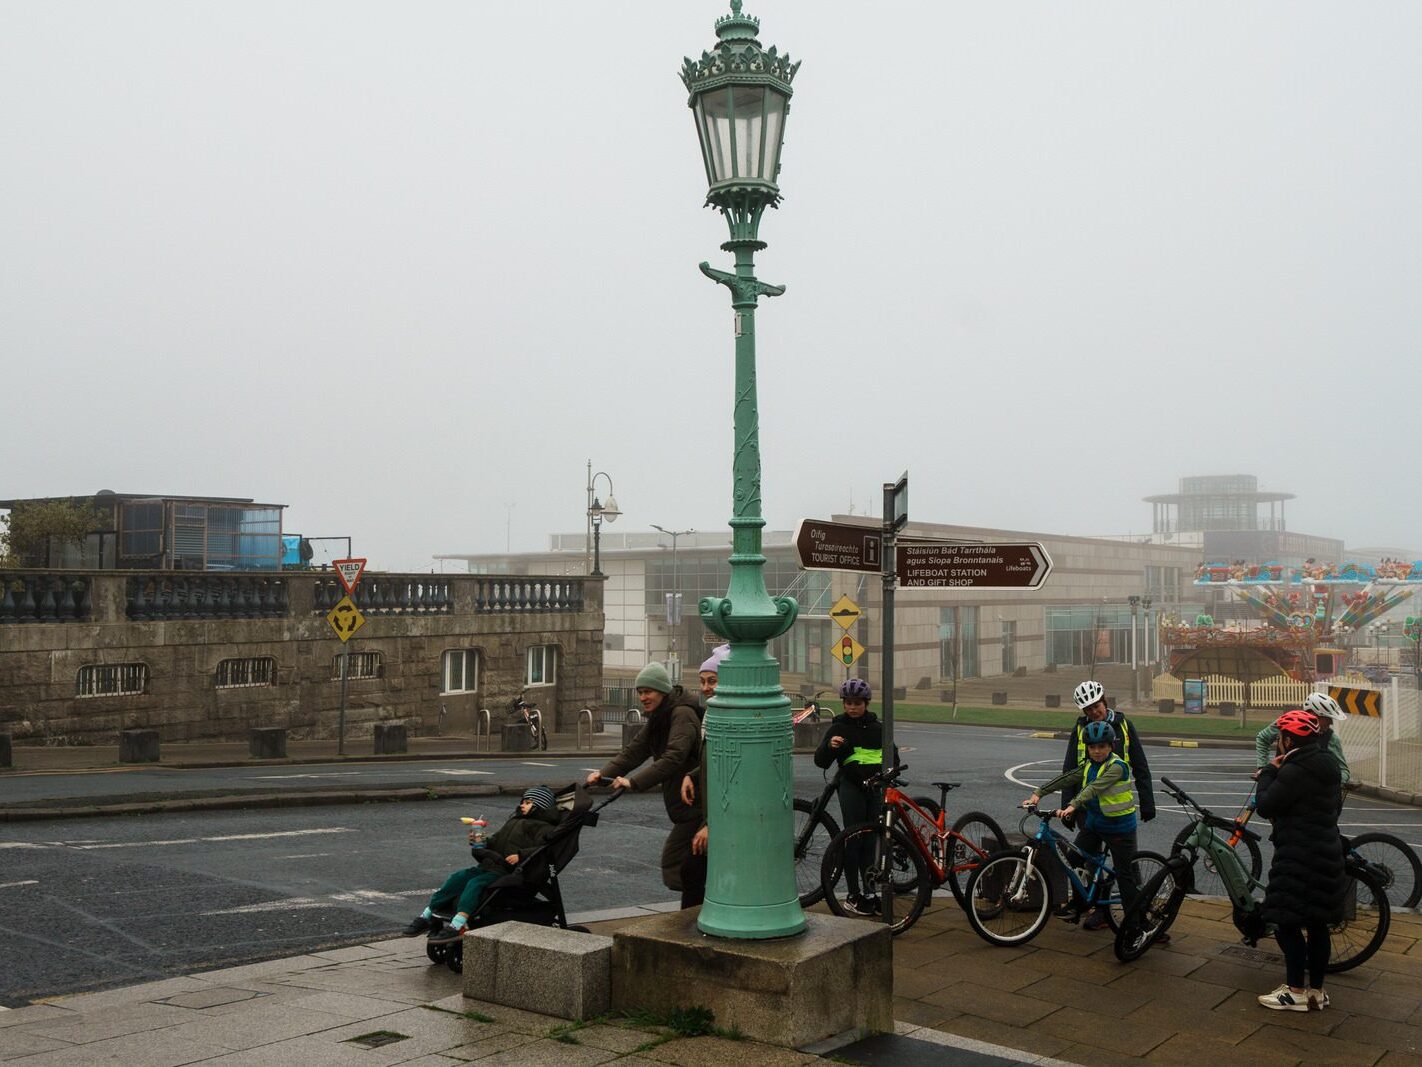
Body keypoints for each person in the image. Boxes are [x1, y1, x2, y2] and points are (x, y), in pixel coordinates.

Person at [586, 661, 704, 902]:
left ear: (662, 691)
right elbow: (634, 752)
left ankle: (705, 907)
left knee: (675, 864)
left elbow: (674, 757)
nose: (642, 697)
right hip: (684, 806)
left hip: (698, 803)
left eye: (647, 691)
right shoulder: (659, 717)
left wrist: (634, 782)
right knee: (689, 868)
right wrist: (603, 775)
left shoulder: (682, 714)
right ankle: (703, 905)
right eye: (640, 692)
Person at [1254, 709, 1348, 1012]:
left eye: (1280, 738)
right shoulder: (1328, 765)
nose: (1277, 743)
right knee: (1318, 924)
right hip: (1327, 851)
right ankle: (1316, 992)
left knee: (1285, 921)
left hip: (1298, 855)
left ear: (1287, 739)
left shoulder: (1294, 770)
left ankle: (1294, 990)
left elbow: (1266, 805)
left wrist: (1269, 772)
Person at [1026, 720, 1148, 933]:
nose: (1097, 751)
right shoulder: (1089, 765)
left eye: (1102, 746)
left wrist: (1073, 805)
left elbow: (1093, 788)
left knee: (1125, 878)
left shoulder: (1117, 766)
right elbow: (1068, 777)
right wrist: (1039, 792)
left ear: (1111, 746)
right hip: (1095, 825)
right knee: (1074, 860)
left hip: (1119, 828)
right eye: (1092, 747)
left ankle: (1137, 927)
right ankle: (1081, 904)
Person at [405, 786, 561, 942]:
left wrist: (521, 855)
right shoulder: (515, 821)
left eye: (527, 802)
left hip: (508, 870)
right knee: (456, 878)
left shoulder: (543, 827)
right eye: (523, 802)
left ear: (540, 806)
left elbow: (543, 848)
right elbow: (497, 840)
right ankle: (428, 914)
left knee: (475, 884)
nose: (522, 805)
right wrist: (482, 842)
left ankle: (459, 923)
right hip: (489, 864)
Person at [813, 678, 897, 915]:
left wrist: (885, 777)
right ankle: (853, 894)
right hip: (851, 787)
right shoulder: (838, 728)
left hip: (874, 789)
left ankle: (870, 894)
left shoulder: (878, 729)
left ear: (866, 703)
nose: (852, 707)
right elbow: (821, 761)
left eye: (857, 703)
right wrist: (830, 746)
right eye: (848, 703)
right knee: (854, 839)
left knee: (871, 841)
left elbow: (893, 757)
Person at [675, 644, 728, 908]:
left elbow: (730, 774)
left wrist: (711, 825)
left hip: (722, 817)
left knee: (692, 870)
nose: (705, 688)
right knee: (693, 871)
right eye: (702, 682)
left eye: (712, 681)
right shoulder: (711, 714)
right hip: (713, 815)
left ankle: (690, 929)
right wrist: (693, 775)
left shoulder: (726, 717)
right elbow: (713, 763)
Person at [1254, 692, 1350, 787]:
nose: (1331, 723)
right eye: (1327, 718)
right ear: (1313, 714)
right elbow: (1263, 738)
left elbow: (1344, 771)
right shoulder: (1288, 722)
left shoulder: (1331, 738)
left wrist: (1328, 784)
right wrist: (1263, 767)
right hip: (1281, 786)